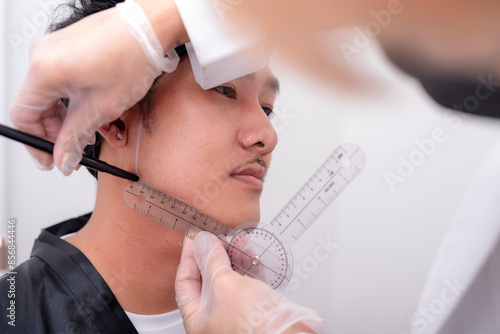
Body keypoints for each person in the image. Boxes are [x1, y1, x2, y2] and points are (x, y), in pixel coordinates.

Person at [0, 1, 324, 333]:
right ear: (113, 118)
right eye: (226, 90)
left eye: (267, 108)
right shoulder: (13, 316)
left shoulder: (259, 312)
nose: (268, 136)